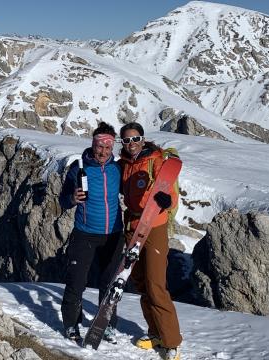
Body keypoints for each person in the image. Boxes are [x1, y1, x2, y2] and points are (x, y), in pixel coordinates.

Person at [118, 122, 182, 360]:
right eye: (126, 140)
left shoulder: (156, 160)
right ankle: (155, 333)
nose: (131, 144)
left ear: (143, 139)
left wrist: (167, 201)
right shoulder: (123, 164)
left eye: (135, 139)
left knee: (156, 284)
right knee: (142, 283)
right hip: (132, 228)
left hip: (154, 226)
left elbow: (171, 191)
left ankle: (172, 341)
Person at [59, 122, 123, 344]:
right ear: (93, 145)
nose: (103, 152)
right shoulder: (79, 168)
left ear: (112, 147)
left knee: (110, 284)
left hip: (114, 234)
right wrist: (72, 199)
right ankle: (71, 324)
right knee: (77, 281)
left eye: (107, 147)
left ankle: (106, 325)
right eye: (99, 147)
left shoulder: (118, 168)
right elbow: (63, 200)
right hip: (84, 233)